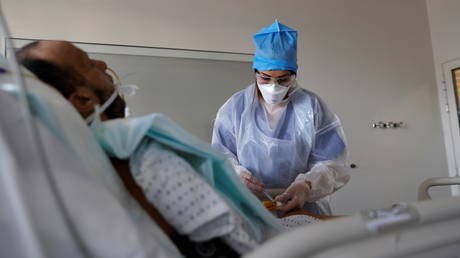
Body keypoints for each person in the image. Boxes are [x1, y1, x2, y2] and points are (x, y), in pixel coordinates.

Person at [16, 40, 277, 258]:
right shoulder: (137, 151)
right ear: (83, 99)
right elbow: (238, 243)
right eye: (87, 63)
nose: (103, 64)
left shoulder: (71, 161)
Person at [212, 20, 350, 215]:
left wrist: (306, 187)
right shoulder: (235, 108)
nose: (274, 86)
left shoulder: (312, 107)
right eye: (265, 78)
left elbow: (334, 163)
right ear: (255, 73)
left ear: (294, 75)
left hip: (303, 207)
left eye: (283, 79)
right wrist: (237, 175)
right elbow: (220, 156)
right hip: (248, 207)